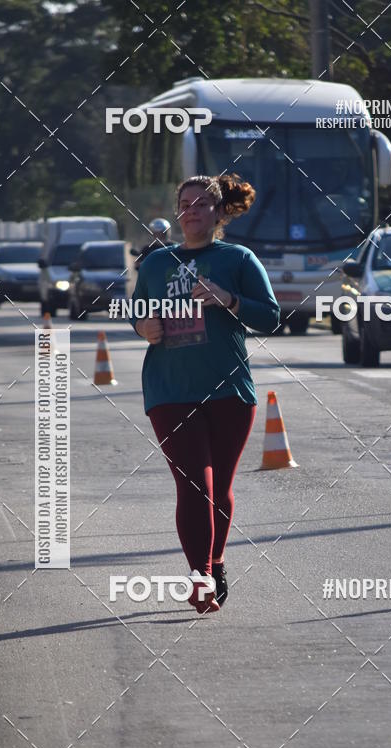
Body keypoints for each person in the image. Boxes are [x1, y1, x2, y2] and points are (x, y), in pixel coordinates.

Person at [131, 174, 280, 614]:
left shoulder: (237, 258)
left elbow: (270, 316)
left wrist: (229, 299)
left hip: (229, 391)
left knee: (220, 487)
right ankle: (200, 579)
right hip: (170, 389)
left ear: (218, 211)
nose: (191, 210)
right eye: (184, 203)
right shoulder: (156, 264)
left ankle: (214, 564)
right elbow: (138, 312)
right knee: (195, 484)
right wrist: (143, 326)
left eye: (200, 203)